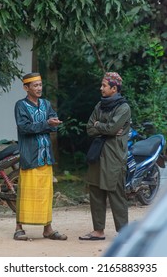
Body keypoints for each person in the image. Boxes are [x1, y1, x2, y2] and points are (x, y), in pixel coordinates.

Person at [13, 72, 67, 241]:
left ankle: (48, 229)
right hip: (30, 155)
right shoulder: (20, 105)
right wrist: (47, 124)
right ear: (26, 87)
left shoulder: (46, 104)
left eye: (40, 85)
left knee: (45, 193)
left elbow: (53, 123)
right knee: (26, 192)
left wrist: (53, 124)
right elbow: (24, 128)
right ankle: (18, 228)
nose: (38, 88)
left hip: (45, 156)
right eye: (35, 85)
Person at [79, 72, 131, 240]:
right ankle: (98, 231)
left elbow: (111, 128)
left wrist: (100, 126)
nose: (101, 88)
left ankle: (124, 233)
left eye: (104, 86)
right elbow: (89, 128)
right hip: (97, 155)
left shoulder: (124, 108)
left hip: (114, 157)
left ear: (114, 89)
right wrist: (106, 128)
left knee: (116, 195)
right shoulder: (99, 106)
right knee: (95, 193)